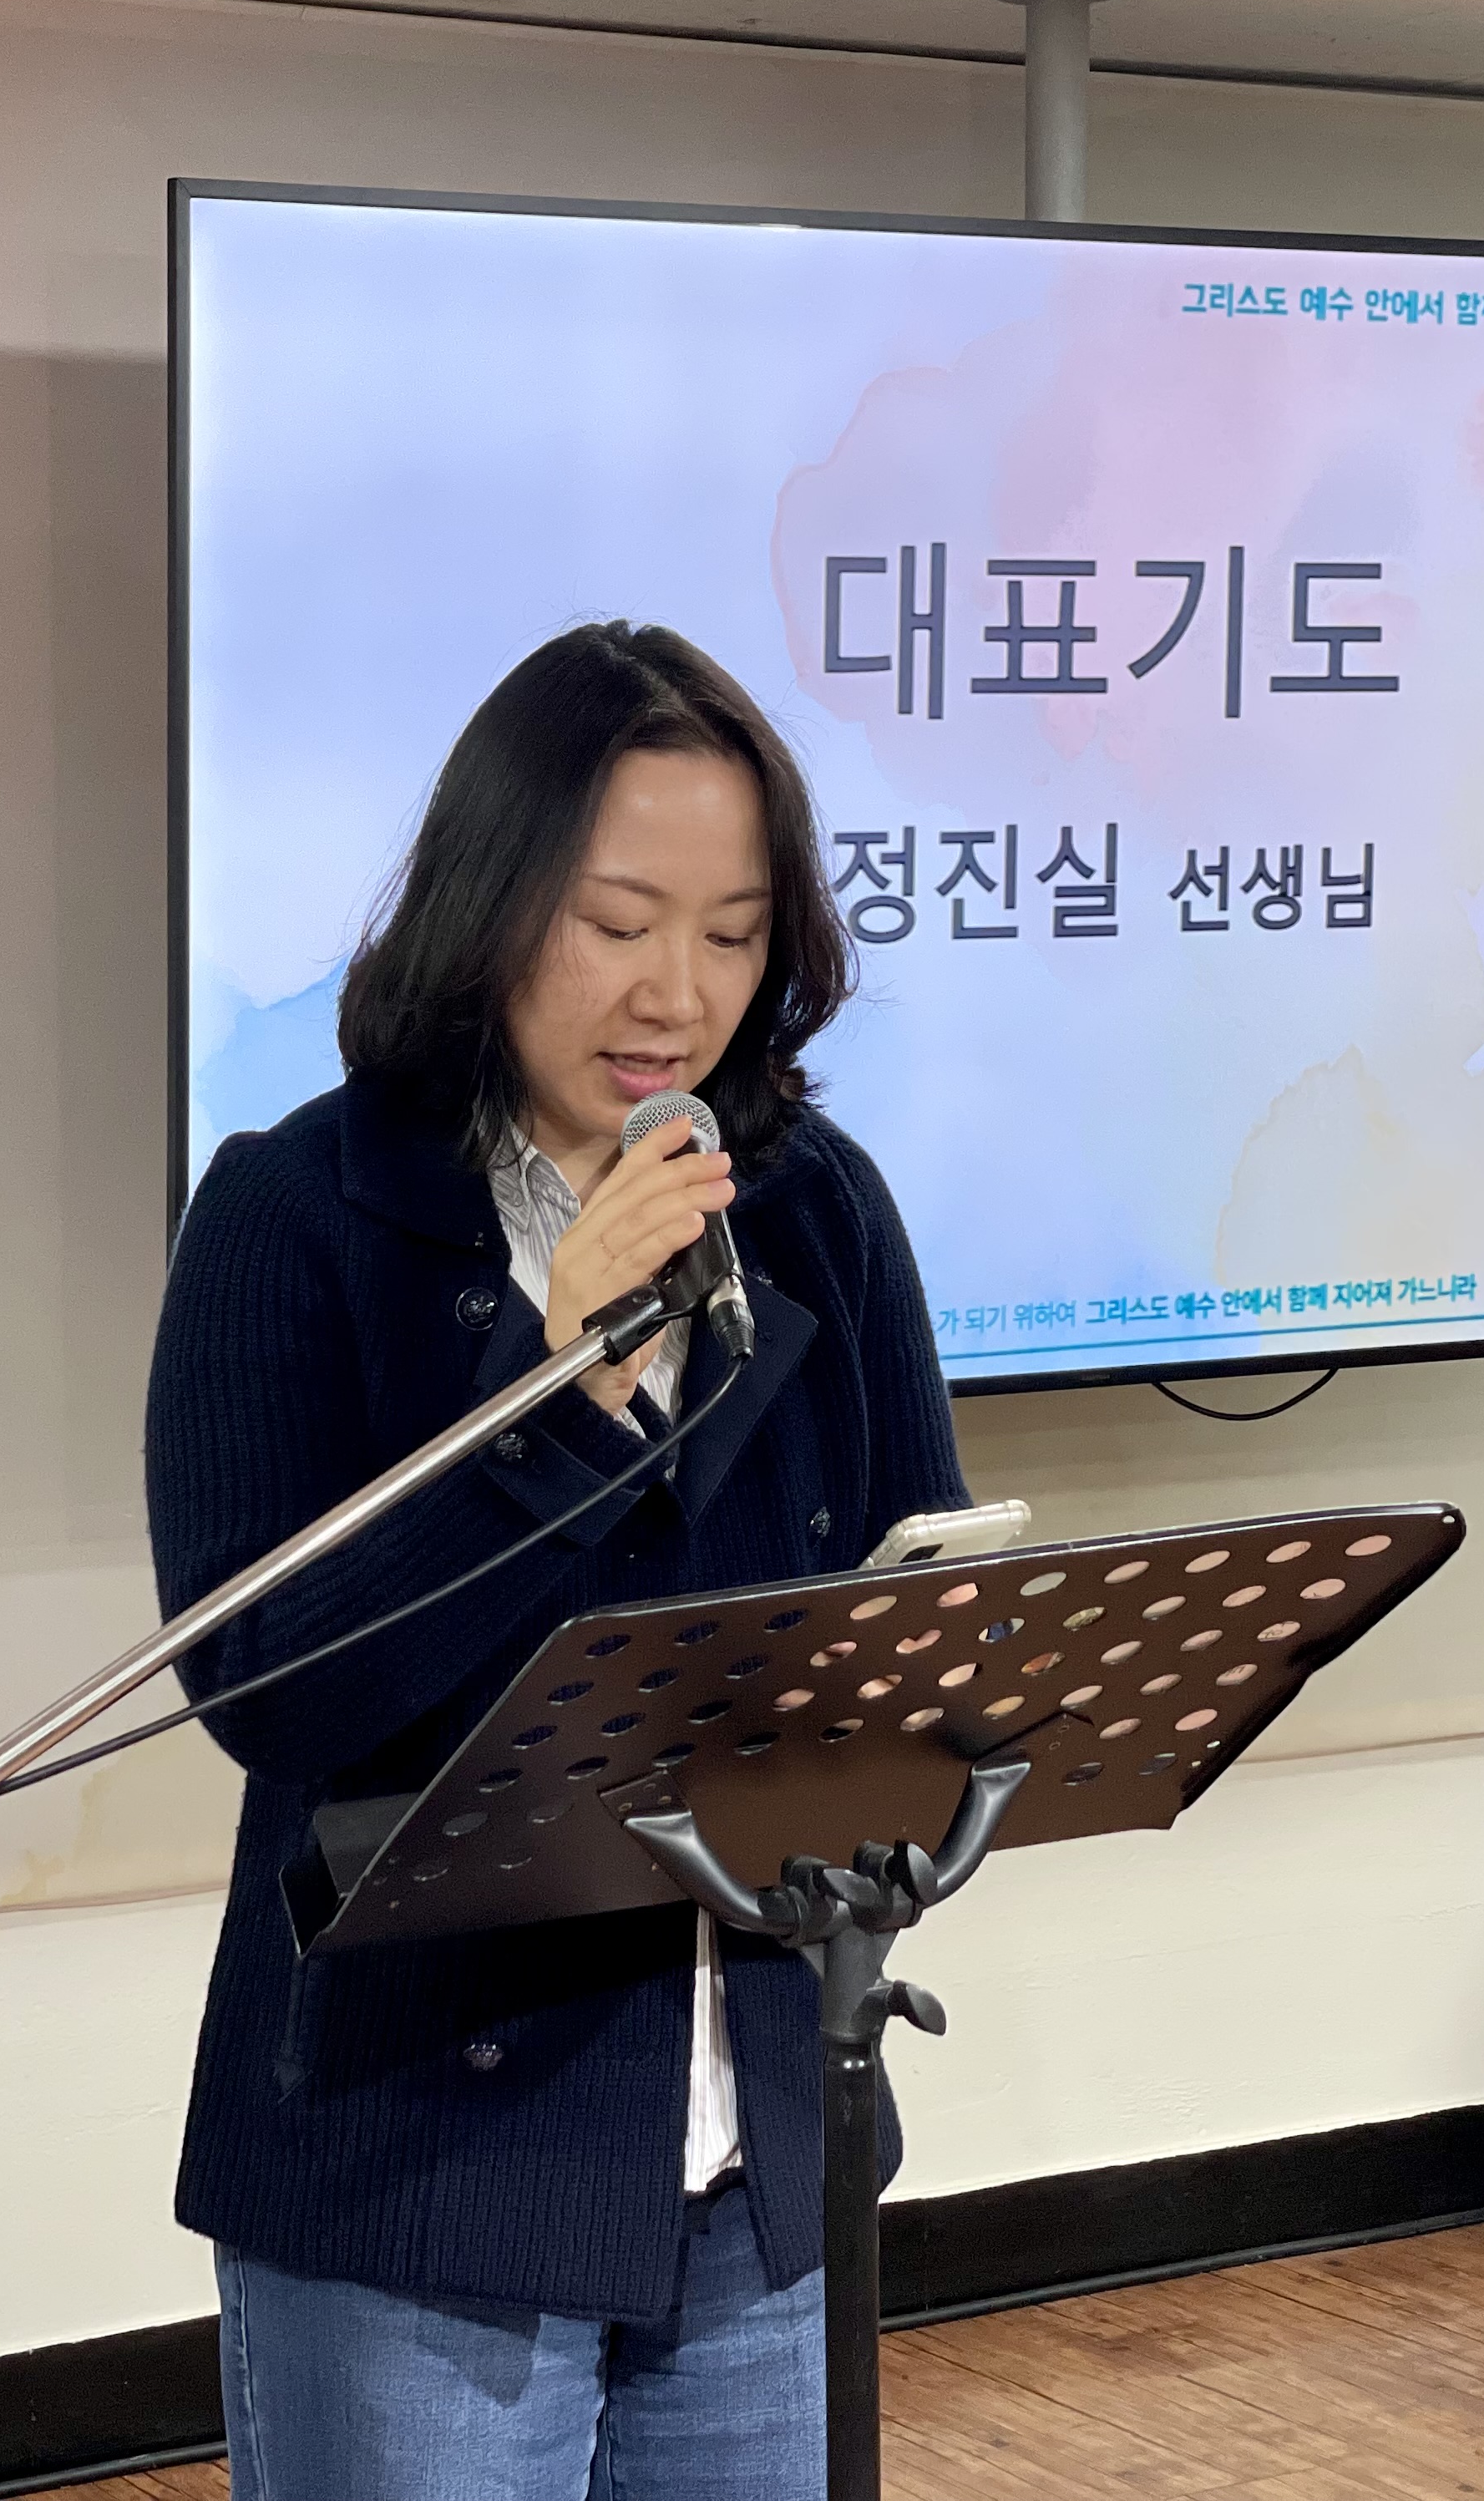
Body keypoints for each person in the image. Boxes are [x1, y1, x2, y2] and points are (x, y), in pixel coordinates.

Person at [145, 621, 967, 2499]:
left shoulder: (816, 1208)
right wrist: (561, 1387)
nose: (678, 994)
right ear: (494, 905)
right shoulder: (294, 1215)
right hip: (421, 2164)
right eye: (618, 923)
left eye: (735, 935)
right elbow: (274, 1692)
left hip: (762, 2160)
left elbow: (909, 1605)